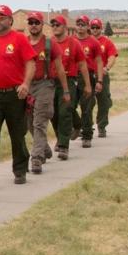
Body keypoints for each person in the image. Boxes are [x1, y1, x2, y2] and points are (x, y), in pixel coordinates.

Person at [0, 5, 35, 187]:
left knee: (17, 135)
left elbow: (31, 63)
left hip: (15, 95)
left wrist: (25, 84)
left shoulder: (19, 39)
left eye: (1, 17)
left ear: (10, 20)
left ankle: (20, 170)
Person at [26, 11, 66, 174]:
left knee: (39, 121)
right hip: (27, 85)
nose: (33, 25)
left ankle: (36, 158)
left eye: (37, 22)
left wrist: (66, 90)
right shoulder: (23, 43)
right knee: (28, 123)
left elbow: (60, 68)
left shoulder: (50, 44)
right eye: (31, 22)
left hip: (45, 84)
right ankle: (44, 148)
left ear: (42, 25)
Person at [48, 14, 85, 160]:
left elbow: (82, 64)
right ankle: (74, 126)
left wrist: (88, 84)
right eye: (53, 25)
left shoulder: (73, 43)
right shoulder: (48, 43)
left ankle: (63, 145)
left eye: (58, 25)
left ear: (64, 27)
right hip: (51, 81)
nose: (55, 27)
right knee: (54, 113)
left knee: (65, 111)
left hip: (69, 80)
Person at [72, 15, 104, 148]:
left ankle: (86, 136)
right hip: (72, 76)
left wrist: (99, 81)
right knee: (68, 106)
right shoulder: (71, 40)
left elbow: (99, 62)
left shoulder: (93, 42)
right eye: (78, 24)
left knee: (86, 108)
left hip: (88, 77)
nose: (80, 27)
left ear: (87, 26)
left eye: (83, 24)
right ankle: (77, 125)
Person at [91, 18, 119, 137]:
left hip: (102, 75)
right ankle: (86, 127)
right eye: (93, 27)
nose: (95, 30)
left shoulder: (106, 42)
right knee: (87, 103)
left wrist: (106, 68)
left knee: (103, 102)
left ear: (101, 28)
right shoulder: (85, 41)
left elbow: (112, 56)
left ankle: (101, 126)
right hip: (87, 75)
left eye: (97, 27)